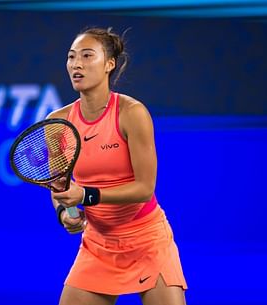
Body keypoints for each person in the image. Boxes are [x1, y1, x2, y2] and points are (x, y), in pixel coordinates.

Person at [47, 27, 187, 305]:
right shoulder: (57, 124)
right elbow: (61, 189)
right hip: (98, 244)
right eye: (72, 57)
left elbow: (145, 188)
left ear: (109, 64)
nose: (77, 64)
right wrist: (67, 213)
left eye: (88, 56)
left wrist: (86, 196)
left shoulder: (132, 113)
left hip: (147, 240)